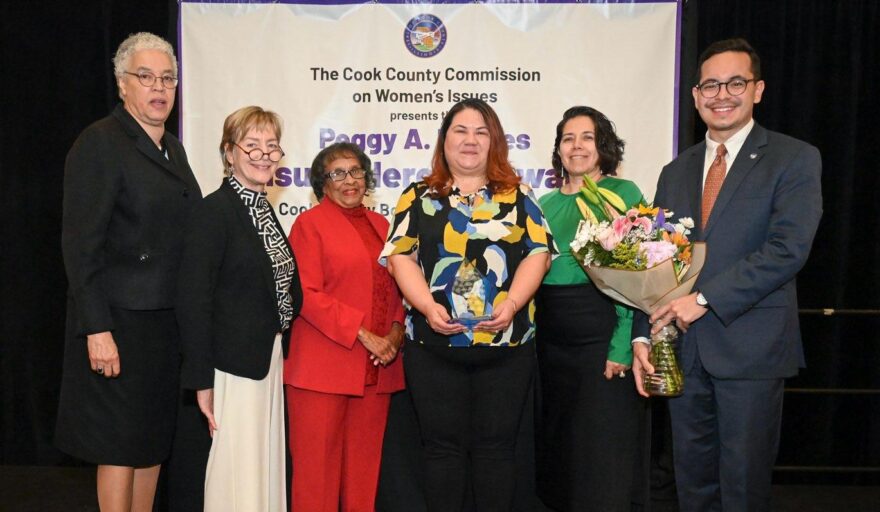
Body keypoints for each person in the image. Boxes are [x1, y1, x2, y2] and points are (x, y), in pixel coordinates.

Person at [632, 38, 823, 512]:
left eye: (735, 83)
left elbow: (788, 249)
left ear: (757, 90)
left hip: (752, 350)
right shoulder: (674, 172)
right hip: (682, 354)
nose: (722, 94)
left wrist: (702, 300)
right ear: (696, 96)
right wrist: (642, 338)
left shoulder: (794, 158)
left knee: (743, 487)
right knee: (691, 484)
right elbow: (653, 262)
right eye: (711, 85)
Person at [381, 98, 555, 512]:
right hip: (434, 347)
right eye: (460, 130)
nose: (470, 140)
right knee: (441, 451)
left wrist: (512, 303)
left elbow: (540, 254)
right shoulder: (417, 195)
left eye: (481, 131)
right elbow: (399, 256)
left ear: (494, 141)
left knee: (497, 450)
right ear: (444, 141)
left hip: (507, 348)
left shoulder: (520, 195)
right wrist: (425, 305)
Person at [55, 32, 202, 512]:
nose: (158, 88)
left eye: (167, 79)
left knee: (150, 442)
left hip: (163, 325)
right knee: (118, 446)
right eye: (146, 77)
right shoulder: (100, 142)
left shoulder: (173, 149)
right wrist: (97, 328)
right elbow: (81, 246)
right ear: (123, 85)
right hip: (118, 323)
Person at [175, 106, 302, 511]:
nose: (264, 154)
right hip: (232, 365)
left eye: (272, 146)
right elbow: (193, 299)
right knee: (238, 471)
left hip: (266, 358)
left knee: (263, 467)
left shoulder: (262, 209)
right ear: (229, 153)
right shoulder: (213, 212)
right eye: (252, 145)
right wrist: (201, 379)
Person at [535, 106, 650, 512]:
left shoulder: (624, 194)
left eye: (586, 137)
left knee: (603, 442)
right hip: (551, 335)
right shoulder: (542, 202)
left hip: (602, 328)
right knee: (561, 442)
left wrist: (621, 343)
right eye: (568, 138)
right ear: (559, 150)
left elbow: (637, 276)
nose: (577, 145)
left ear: (602, 146)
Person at [284, 142, 406, 511]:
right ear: (322, 183)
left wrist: (395, 334)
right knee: (316, 479)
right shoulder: (309, 225)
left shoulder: (383, 225)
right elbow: (306, 294)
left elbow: (401, 285)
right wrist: (366, 336)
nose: (349, 180)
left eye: (355, 171)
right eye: (337, 173)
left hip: (377, 368)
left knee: (363, 479)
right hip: (323, 369)